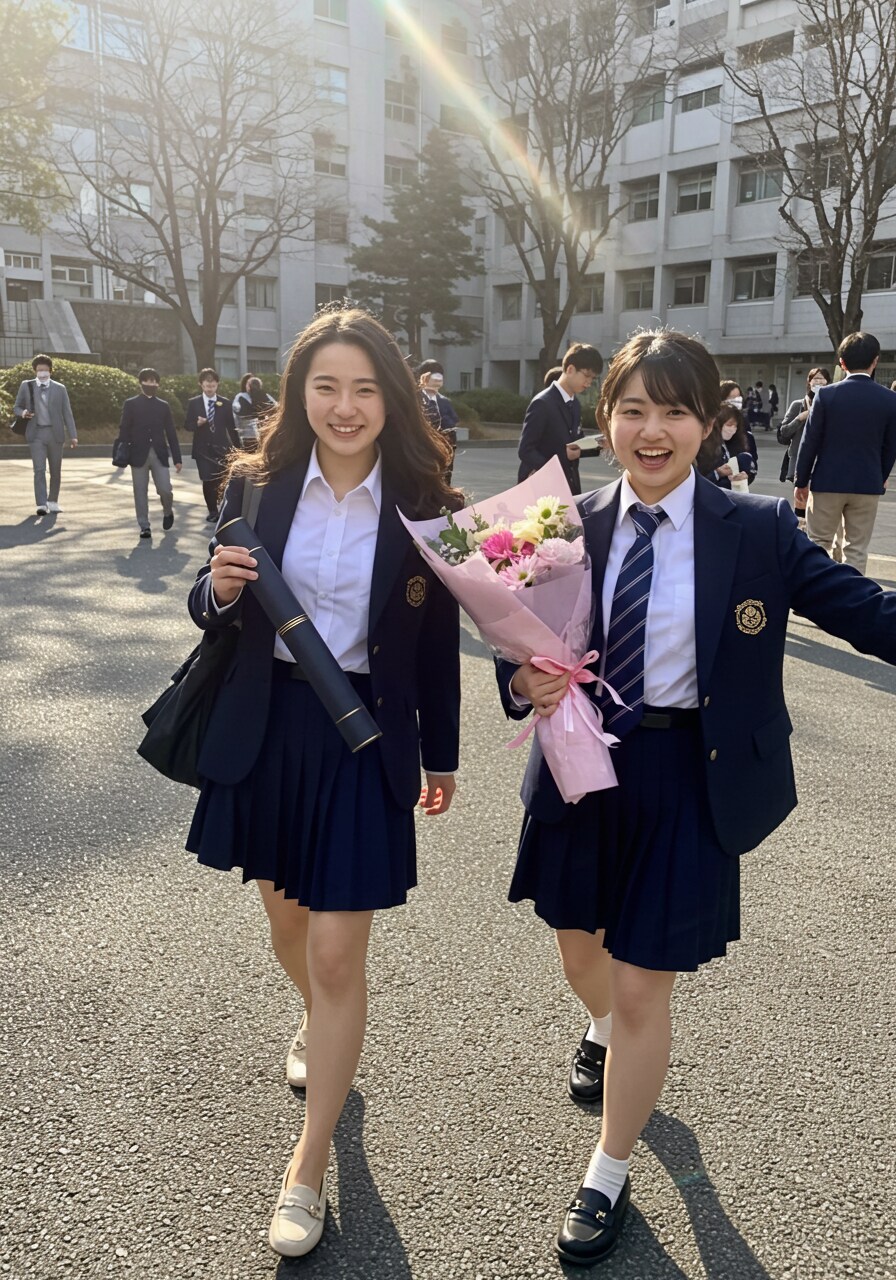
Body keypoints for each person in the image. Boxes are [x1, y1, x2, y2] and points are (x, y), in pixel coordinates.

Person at [495, 328, 896, 1268]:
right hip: (582, 766)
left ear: (710, 421)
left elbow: (865, 610)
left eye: (675, 411)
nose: (652, 430)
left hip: (691, 776)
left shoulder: (757, 529)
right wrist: (521, 685)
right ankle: (599, 1026)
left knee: (643, 985)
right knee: (581, 954)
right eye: (633, 409)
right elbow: (515, 650)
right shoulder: (558, 525)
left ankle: (607, 1172)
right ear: (604, 418)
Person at [184, 307, 461, 1259]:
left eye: (365, 388)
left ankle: (306, 1169)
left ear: (393, 398)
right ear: (299, 393)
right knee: (289, 925)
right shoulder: (255, 485)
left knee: (340, 957)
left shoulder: (427, 500)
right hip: (269, 730)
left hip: (365, 737)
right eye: (326, 386)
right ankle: (320, 1022)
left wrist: (442, 754)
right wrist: (218, 592)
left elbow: (439, 646)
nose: (346, 407)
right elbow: (210, 600)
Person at [795, 331, 896, 575]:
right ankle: (852, 595)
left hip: (827, 482)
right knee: (857, 548)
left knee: (818, 543)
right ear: (875, 361)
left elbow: (810, 442)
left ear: (842, 362)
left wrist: (801, 480)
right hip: (867, 483)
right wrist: (881, 476)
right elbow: (890, 446)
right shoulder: (890, 400)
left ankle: (815, 591)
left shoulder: (826, 395)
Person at [518, 342, 603, 495]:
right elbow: (526, 450)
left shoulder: (574, 404)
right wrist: (559, 462)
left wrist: (601, 444)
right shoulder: (542, 403)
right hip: (542, 489)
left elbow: (576, 444)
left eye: (593, 378)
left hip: (569, 486)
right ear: (570, 369)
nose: (589, 382)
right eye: (586, 375)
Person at [114, 369, 182, 539]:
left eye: (153, 381)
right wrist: (121, 455)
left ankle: (168, 511)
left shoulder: (163, 406)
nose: (150, 384)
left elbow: (171, 432)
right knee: (140, 491)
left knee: (165, 489)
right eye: (147, 381)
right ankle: (144, 525)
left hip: (159, 453)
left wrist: (177, 458)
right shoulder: (131, 404)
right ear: (141, 383)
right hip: (137, 454)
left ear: (158, 384)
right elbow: (124, 429)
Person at [13, 354, 78, 515]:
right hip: (36, 434)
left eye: (45, 370)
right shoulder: (27, 386)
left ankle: (53, 501)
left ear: (50, 371)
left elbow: (67, 413)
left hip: (55, 434)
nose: (42, 373)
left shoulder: (60, 388)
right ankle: (41, 504)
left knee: (55, 470)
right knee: (39, 469)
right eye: (39, 370)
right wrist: (23, 413)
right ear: (35, 371)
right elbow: (16, 407)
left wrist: (73, 435)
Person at [183, 369, 241, 522]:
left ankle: (221, 505)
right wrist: (197, 423)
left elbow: (231, 428)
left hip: (221, 448)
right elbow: (187, 425)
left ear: (217, 385)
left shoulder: (225, 403)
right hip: (202, 449)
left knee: (221, 479)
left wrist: (238, 449)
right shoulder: (194, 403)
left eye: (213, 386)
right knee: (208, 479)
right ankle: (213, 511)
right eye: (207, 386)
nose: (210, 389)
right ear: (201, 385)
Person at [778, 368, 832, 523]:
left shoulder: (830, 405)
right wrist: (801, 418)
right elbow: (784, 432)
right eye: (815, 379)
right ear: (809, 382)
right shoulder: (798, 405)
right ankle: (801, 530)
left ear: (828, 382)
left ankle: (814, 529)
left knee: (819, 504)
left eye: (822, 379)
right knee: (801, 499)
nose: (818, 382)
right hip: (800, 461)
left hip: (823, 462)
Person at [415, 358, 460, 484]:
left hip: (447, 444)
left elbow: (453, 420)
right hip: (427, 445)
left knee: (445, 476)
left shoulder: (444, 401)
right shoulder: (417, 400)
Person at [699, 404, 757, 489]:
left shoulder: (737, 443)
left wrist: (744, 476)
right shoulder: (703, 447)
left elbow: (750, 468)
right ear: (718, 425)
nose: (732, 429)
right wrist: (717, 473)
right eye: (729, 425)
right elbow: (696, 481)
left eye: (735, 426)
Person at [232, 373, 277, 449]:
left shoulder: (264, 395)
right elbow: (237, 412)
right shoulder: (242, 396)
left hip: (258, 435)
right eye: (249, 382)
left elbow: (275, 408)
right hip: (253, 435)